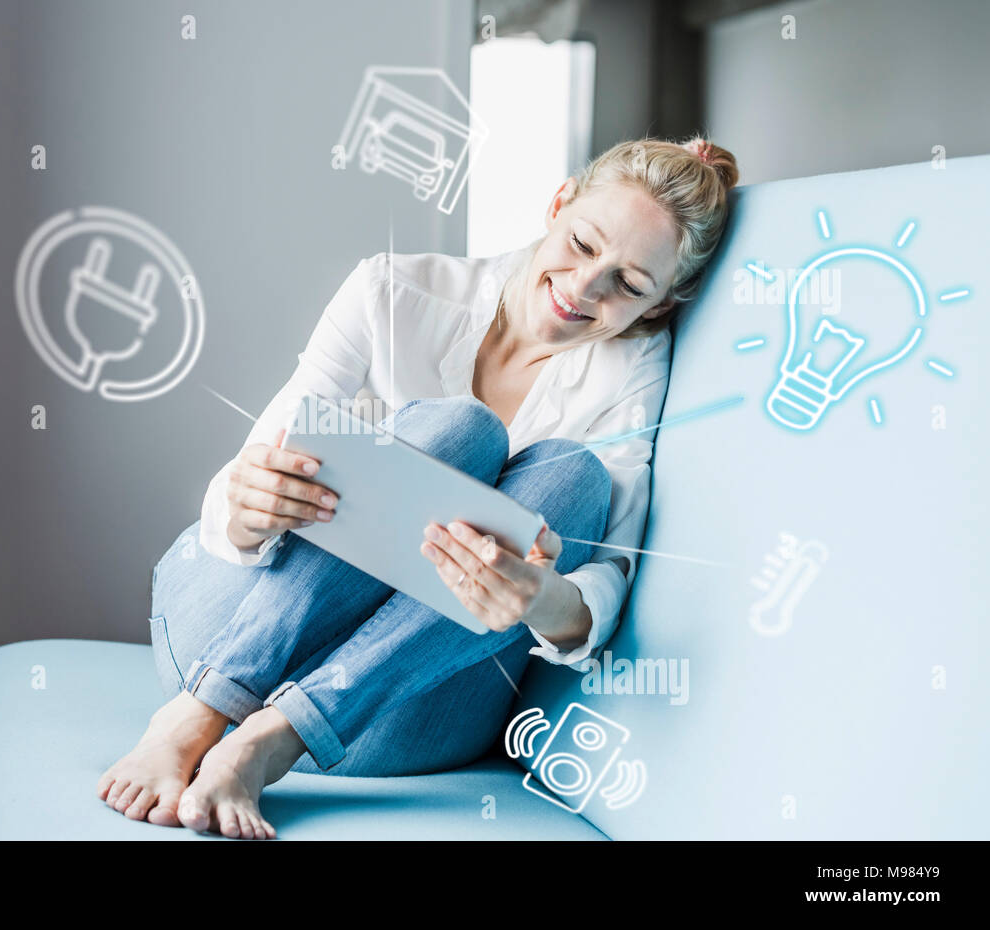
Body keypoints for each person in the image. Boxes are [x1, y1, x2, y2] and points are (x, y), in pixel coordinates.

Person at [97, 136, 739, 838]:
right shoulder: (392, 290)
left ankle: (266, 739)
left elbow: (605, 579)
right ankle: (201, 712)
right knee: (462, 433)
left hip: (391, 711)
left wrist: (540, 597)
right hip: (224, 634)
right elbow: (263, 464)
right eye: (583, 244)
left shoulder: (634, 369)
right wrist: (249, 505)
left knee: (573, 477)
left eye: (630, 284)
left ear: (658, 305)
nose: (586, 288)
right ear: (558, 204)